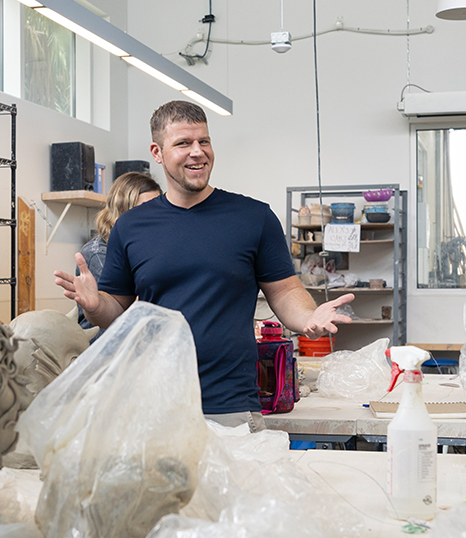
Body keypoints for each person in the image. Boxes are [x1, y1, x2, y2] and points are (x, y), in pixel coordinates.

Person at [53, 100, 352, 432]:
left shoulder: (253, 218)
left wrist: (309, 318)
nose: (198, 152)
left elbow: (283, 290)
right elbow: (116, 309)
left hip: (231, 404)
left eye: (204, 141)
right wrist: (95, 306)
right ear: (157, 151)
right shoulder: (131, 227)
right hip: (154, 403)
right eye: (183, 143)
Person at [76, 172, 164, 331]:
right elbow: (115, 312)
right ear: (123, 211)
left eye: (157, 209)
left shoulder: (148, 246)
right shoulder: (97, 254)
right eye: (143, 211)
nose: (152, 218)